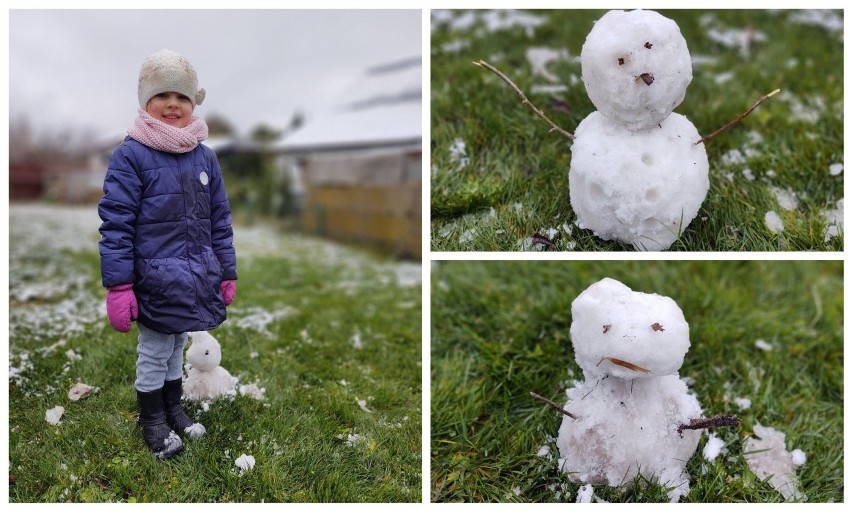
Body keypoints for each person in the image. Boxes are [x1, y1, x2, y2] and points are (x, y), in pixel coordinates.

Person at [98, 49, 237, 459]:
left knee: (177, 345)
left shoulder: (204, 157)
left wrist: (225, 271)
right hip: (153, 279)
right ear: (145, 102)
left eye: (182, 96)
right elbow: (117, 223)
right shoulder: (131, 156)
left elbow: (219, 220)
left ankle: (173, 407)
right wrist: (119, 285)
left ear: (194, 103)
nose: (173, 104)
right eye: (162, 96)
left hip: (194, 277)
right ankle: (152, 417)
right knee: (156, 350)